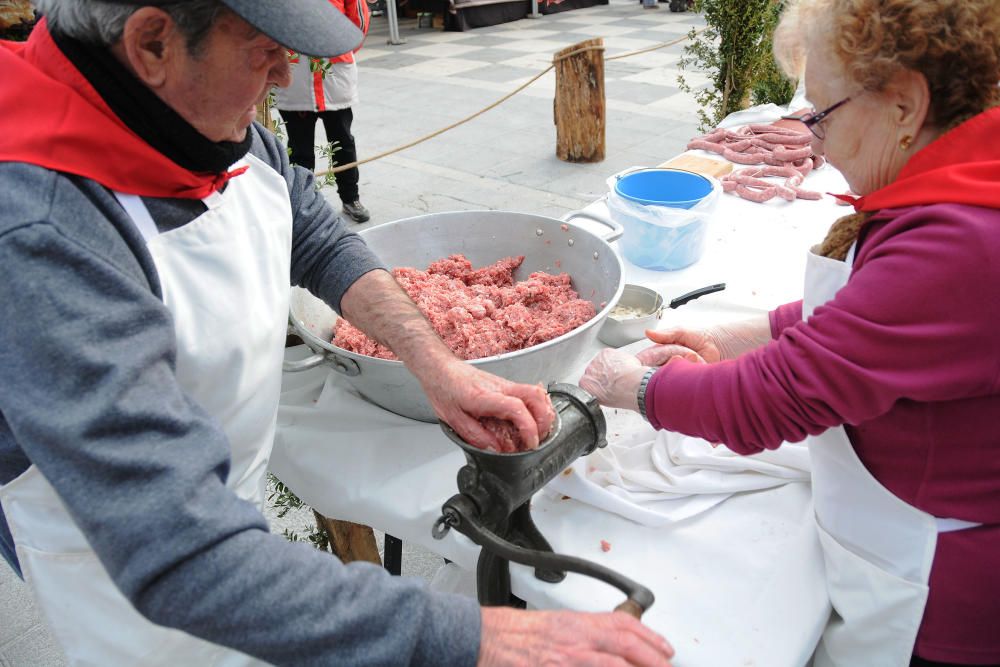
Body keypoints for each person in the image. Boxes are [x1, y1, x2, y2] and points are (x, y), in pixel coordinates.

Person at [0, 1, 676, 665]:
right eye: (265, 50)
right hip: (129, 574)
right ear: (153, 43)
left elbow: (317, 238)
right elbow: (179, 551)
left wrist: (435, 364)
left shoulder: (187, 121)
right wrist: (472, 638)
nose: (285, 77)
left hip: (226, 514)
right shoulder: (42, 230)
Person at [580, 0, 1000, 665]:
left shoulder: (961, 240)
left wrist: (635, 385)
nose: (813, 139)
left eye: (823, 114)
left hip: (935, 588)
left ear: (905, 106)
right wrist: (734, 338)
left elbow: (770, 402)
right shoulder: (951, 189)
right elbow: (861, 319)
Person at [275, 0, 371, 223]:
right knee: (299, 148)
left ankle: (350, 198)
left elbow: (357, 23)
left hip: (334, 74)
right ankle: (302, 204)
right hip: (295, 74)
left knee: (343, 142)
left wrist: (336, 47)